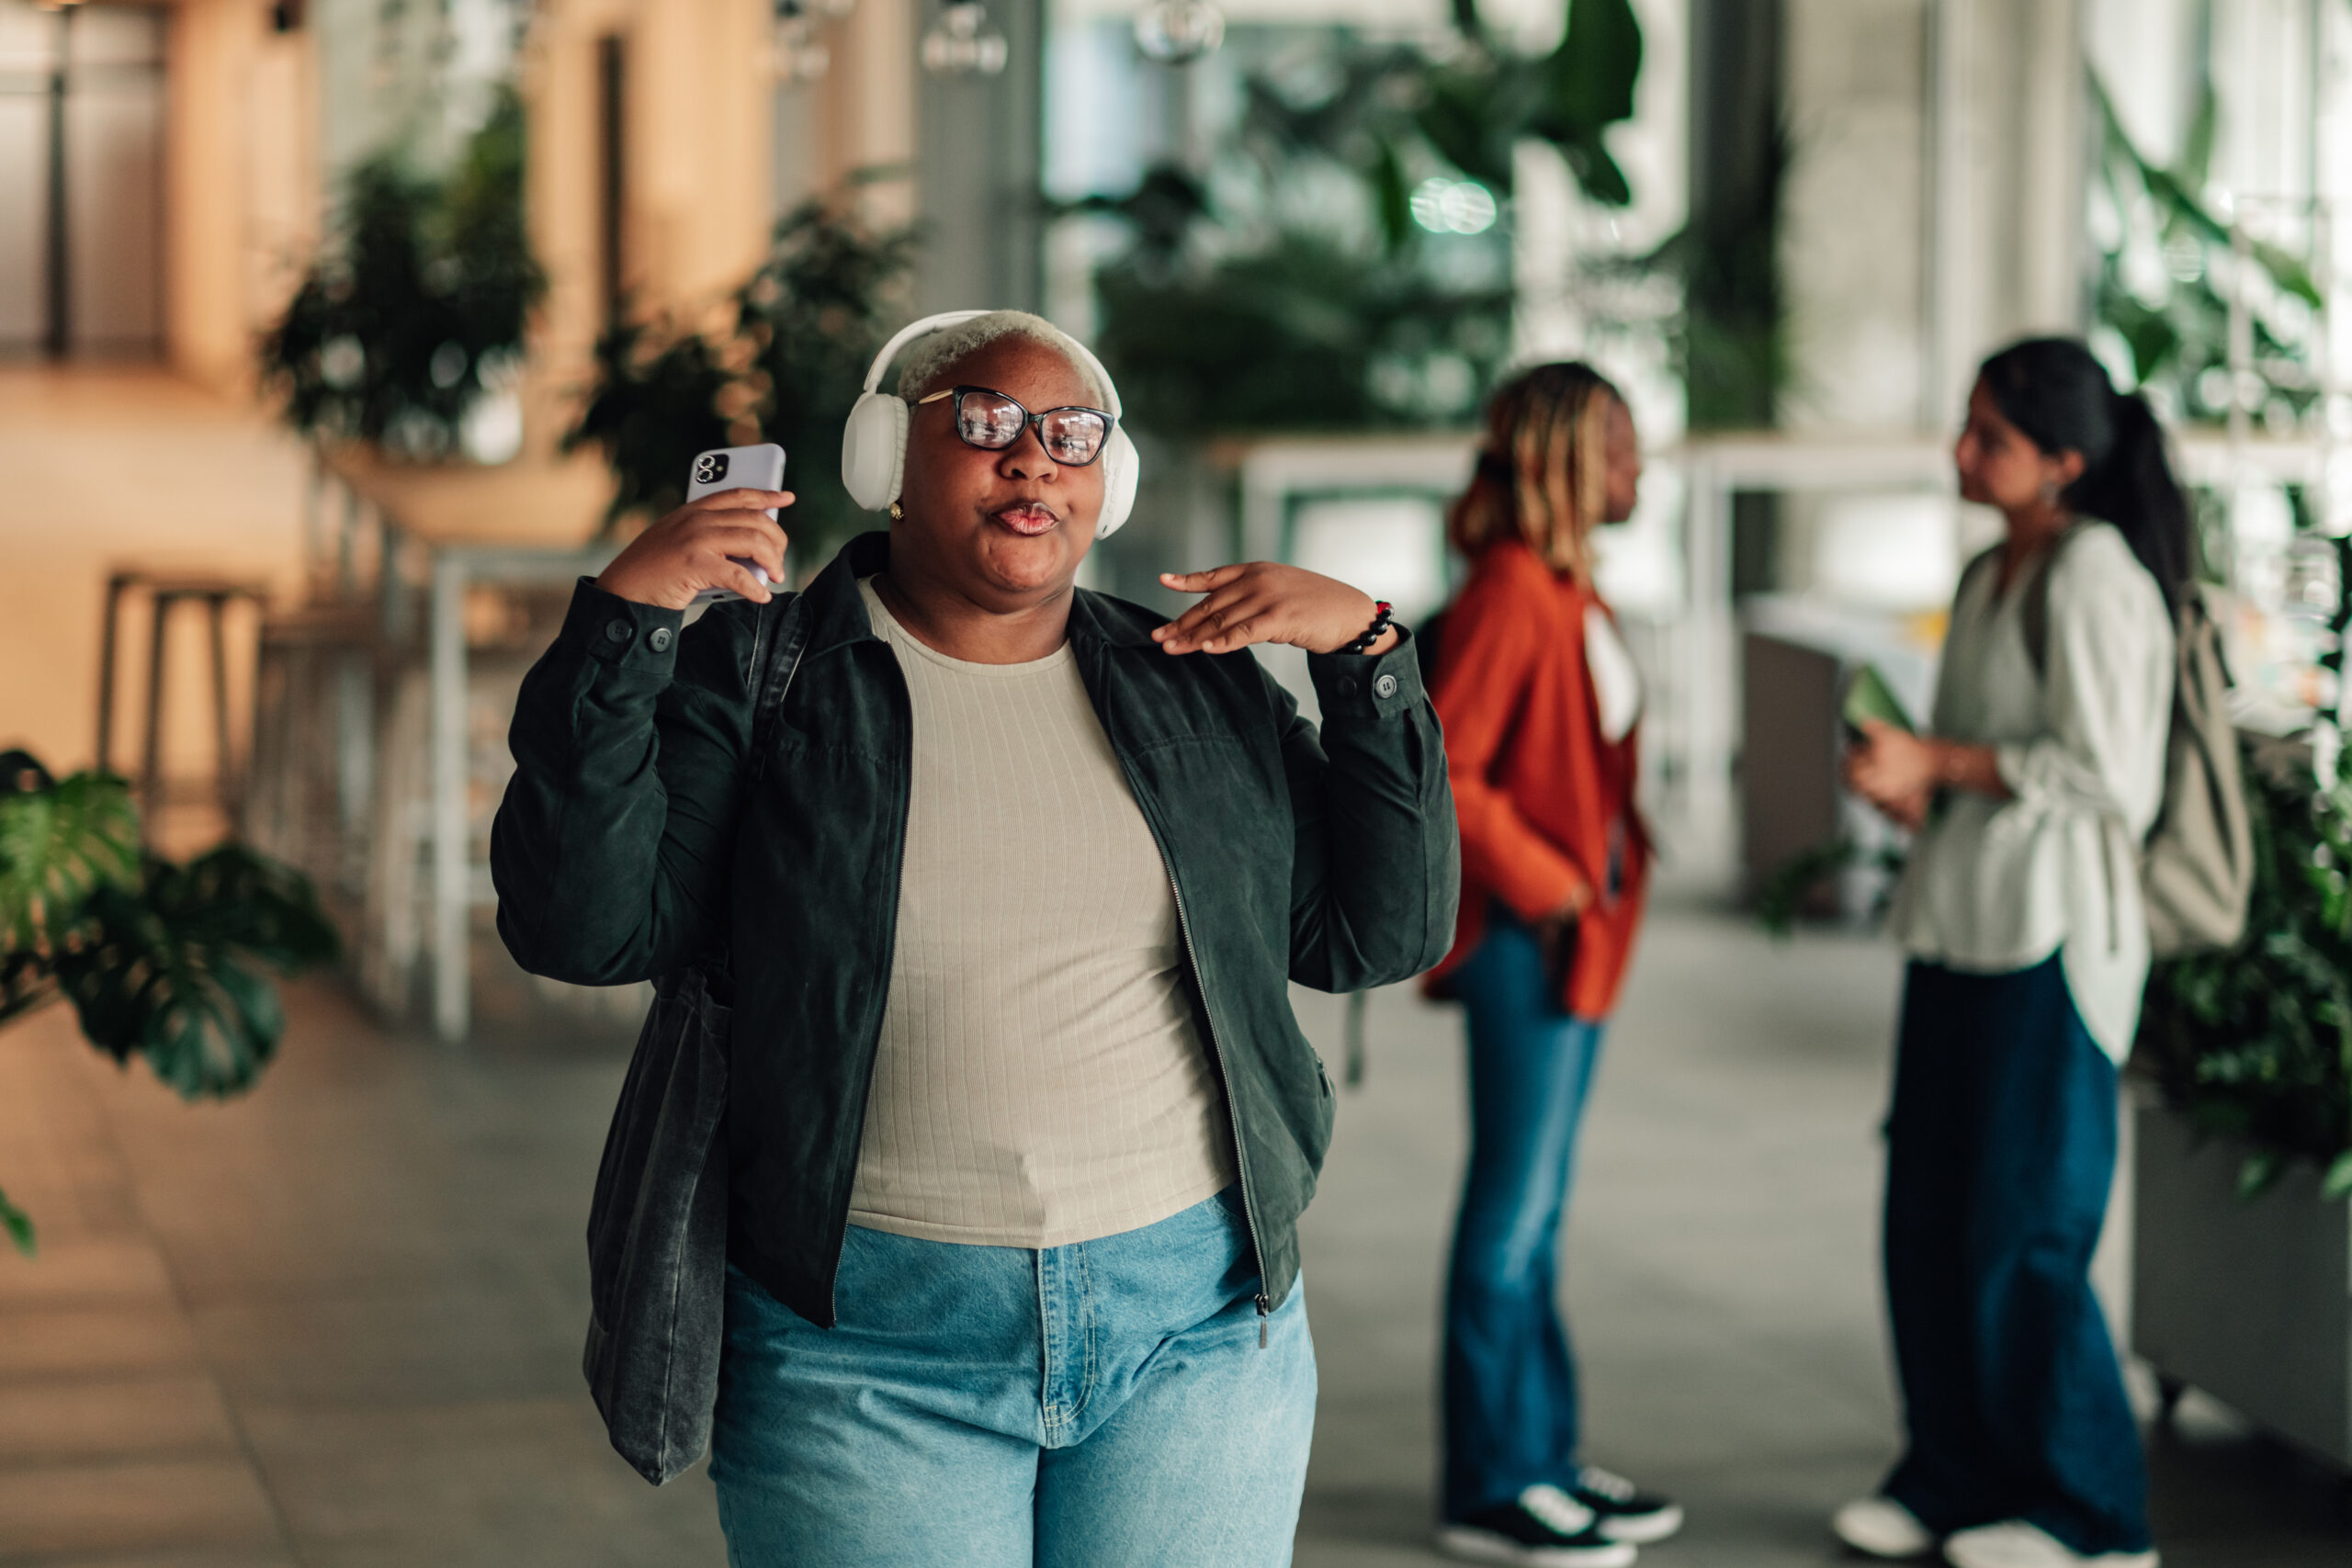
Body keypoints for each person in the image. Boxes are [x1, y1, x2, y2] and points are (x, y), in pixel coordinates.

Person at [491, 310, 1458, 1568]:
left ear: (1111, 487)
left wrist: (1369, 662)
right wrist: (626, 623)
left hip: (1199, 1329)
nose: (1034, 460)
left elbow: (1373, 935)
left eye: (1071, 436)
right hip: (864, 1349)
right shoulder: (763, 677)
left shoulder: (1193, 679)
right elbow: (583, 925)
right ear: (886, 460)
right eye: (987, 423)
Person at [1838, 336, 2184, 1568]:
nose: (1962, 451)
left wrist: (1939, 765)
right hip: (1959, 926)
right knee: (1926, 1215)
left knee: (2025, 1228)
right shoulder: (1994, 567)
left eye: (1992, 435)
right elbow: (1994, 755)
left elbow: (2109, 773)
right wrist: (1918, 782)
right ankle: (1954, 1472)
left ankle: (2091, 1515)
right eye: (1968, 425)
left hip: (2049, 943)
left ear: (2069, 461)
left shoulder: (2095, 574)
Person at [1422, 363, 1681, 1567]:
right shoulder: (1514, 596)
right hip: (1530, 946)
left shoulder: (1568, 588)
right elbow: (1452, 775)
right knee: (1511, 1213)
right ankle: (1492, 1482)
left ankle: (1542, 1456)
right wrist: (1559, 882)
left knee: (1541, 1212)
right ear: (1566, 459)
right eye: (1620, 447)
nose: (1638, 470)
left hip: (1574, 945)